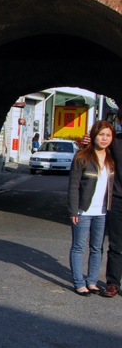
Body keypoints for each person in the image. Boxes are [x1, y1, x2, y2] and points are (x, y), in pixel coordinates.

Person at [68, 121, 114, 296]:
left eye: (108, 135)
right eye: (101, 134)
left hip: (102, 212)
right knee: (78, 247)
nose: (104, 138)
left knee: (97, 248)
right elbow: (73, 186)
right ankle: (79, 282)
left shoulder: (111, 158)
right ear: (93, 135)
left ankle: (92, 281)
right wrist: (73, 210)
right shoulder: (82, 157)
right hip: (83, 211)